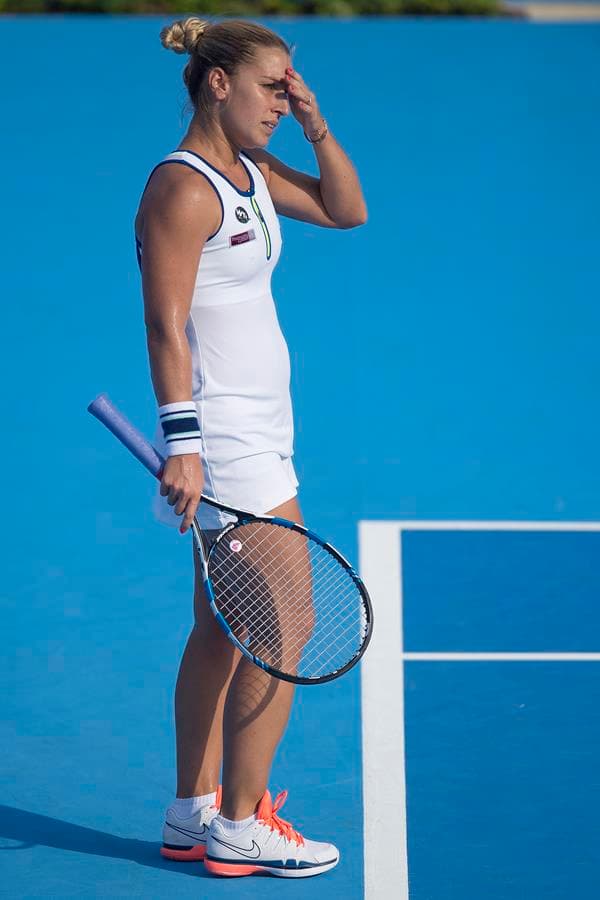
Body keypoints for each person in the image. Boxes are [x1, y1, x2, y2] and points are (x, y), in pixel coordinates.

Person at [134, 16, 367, 878]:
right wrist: (184, 448)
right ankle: (240, 822)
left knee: (221, 629)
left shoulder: (253, 172)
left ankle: (192, 810)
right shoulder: (184, 189)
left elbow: (347, 211)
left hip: (263, 432)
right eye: (273, 86)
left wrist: (314, 121)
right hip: (228, 444)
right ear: (218, 83)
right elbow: (165, 325)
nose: (283, 100)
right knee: (287, 624)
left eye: (290, 87)